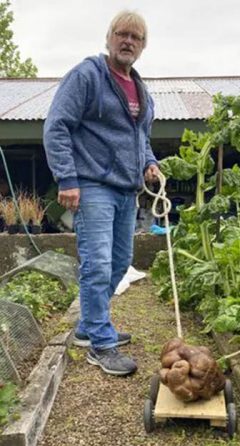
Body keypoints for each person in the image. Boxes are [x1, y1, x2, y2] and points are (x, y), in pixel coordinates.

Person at [44, 10, 161, 376]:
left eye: (136, 37)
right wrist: (67, 179)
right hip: (93, 186)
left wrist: (150, 162)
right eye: (122, 34)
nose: (128, 41)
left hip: (127, 191)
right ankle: (100, 342)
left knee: (120, 261)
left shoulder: (140, 88)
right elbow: (57, 126)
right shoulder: (88, 76)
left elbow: (140, 137)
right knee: (97, 265)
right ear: (109, 37)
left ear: (143, 46)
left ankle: (87, 326)